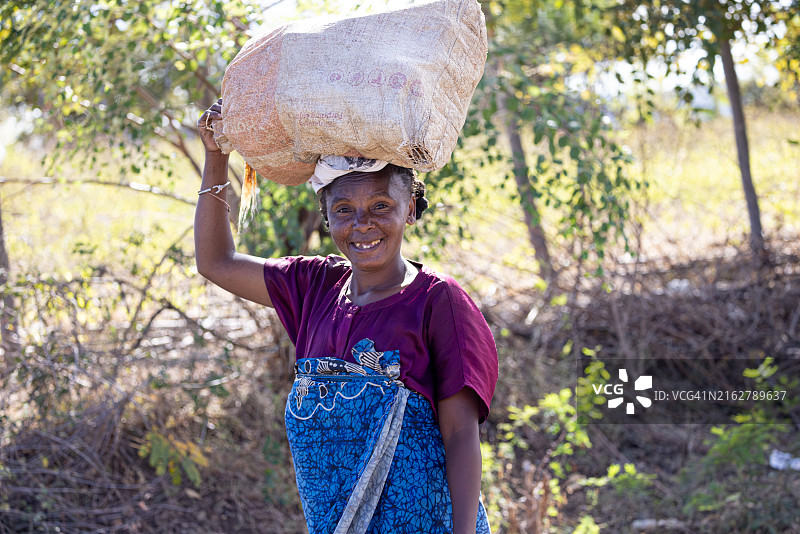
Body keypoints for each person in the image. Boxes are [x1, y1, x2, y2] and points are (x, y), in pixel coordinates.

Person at [195, 99, 498, 534]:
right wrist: (216, 154)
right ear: (325, 216)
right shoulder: (312, 288)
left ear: (409, 209)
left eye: (380, 206)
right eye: (343, 210)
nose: (362, 224)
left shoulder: (436, 301)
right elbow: (215, 261)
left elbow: (460, 434)